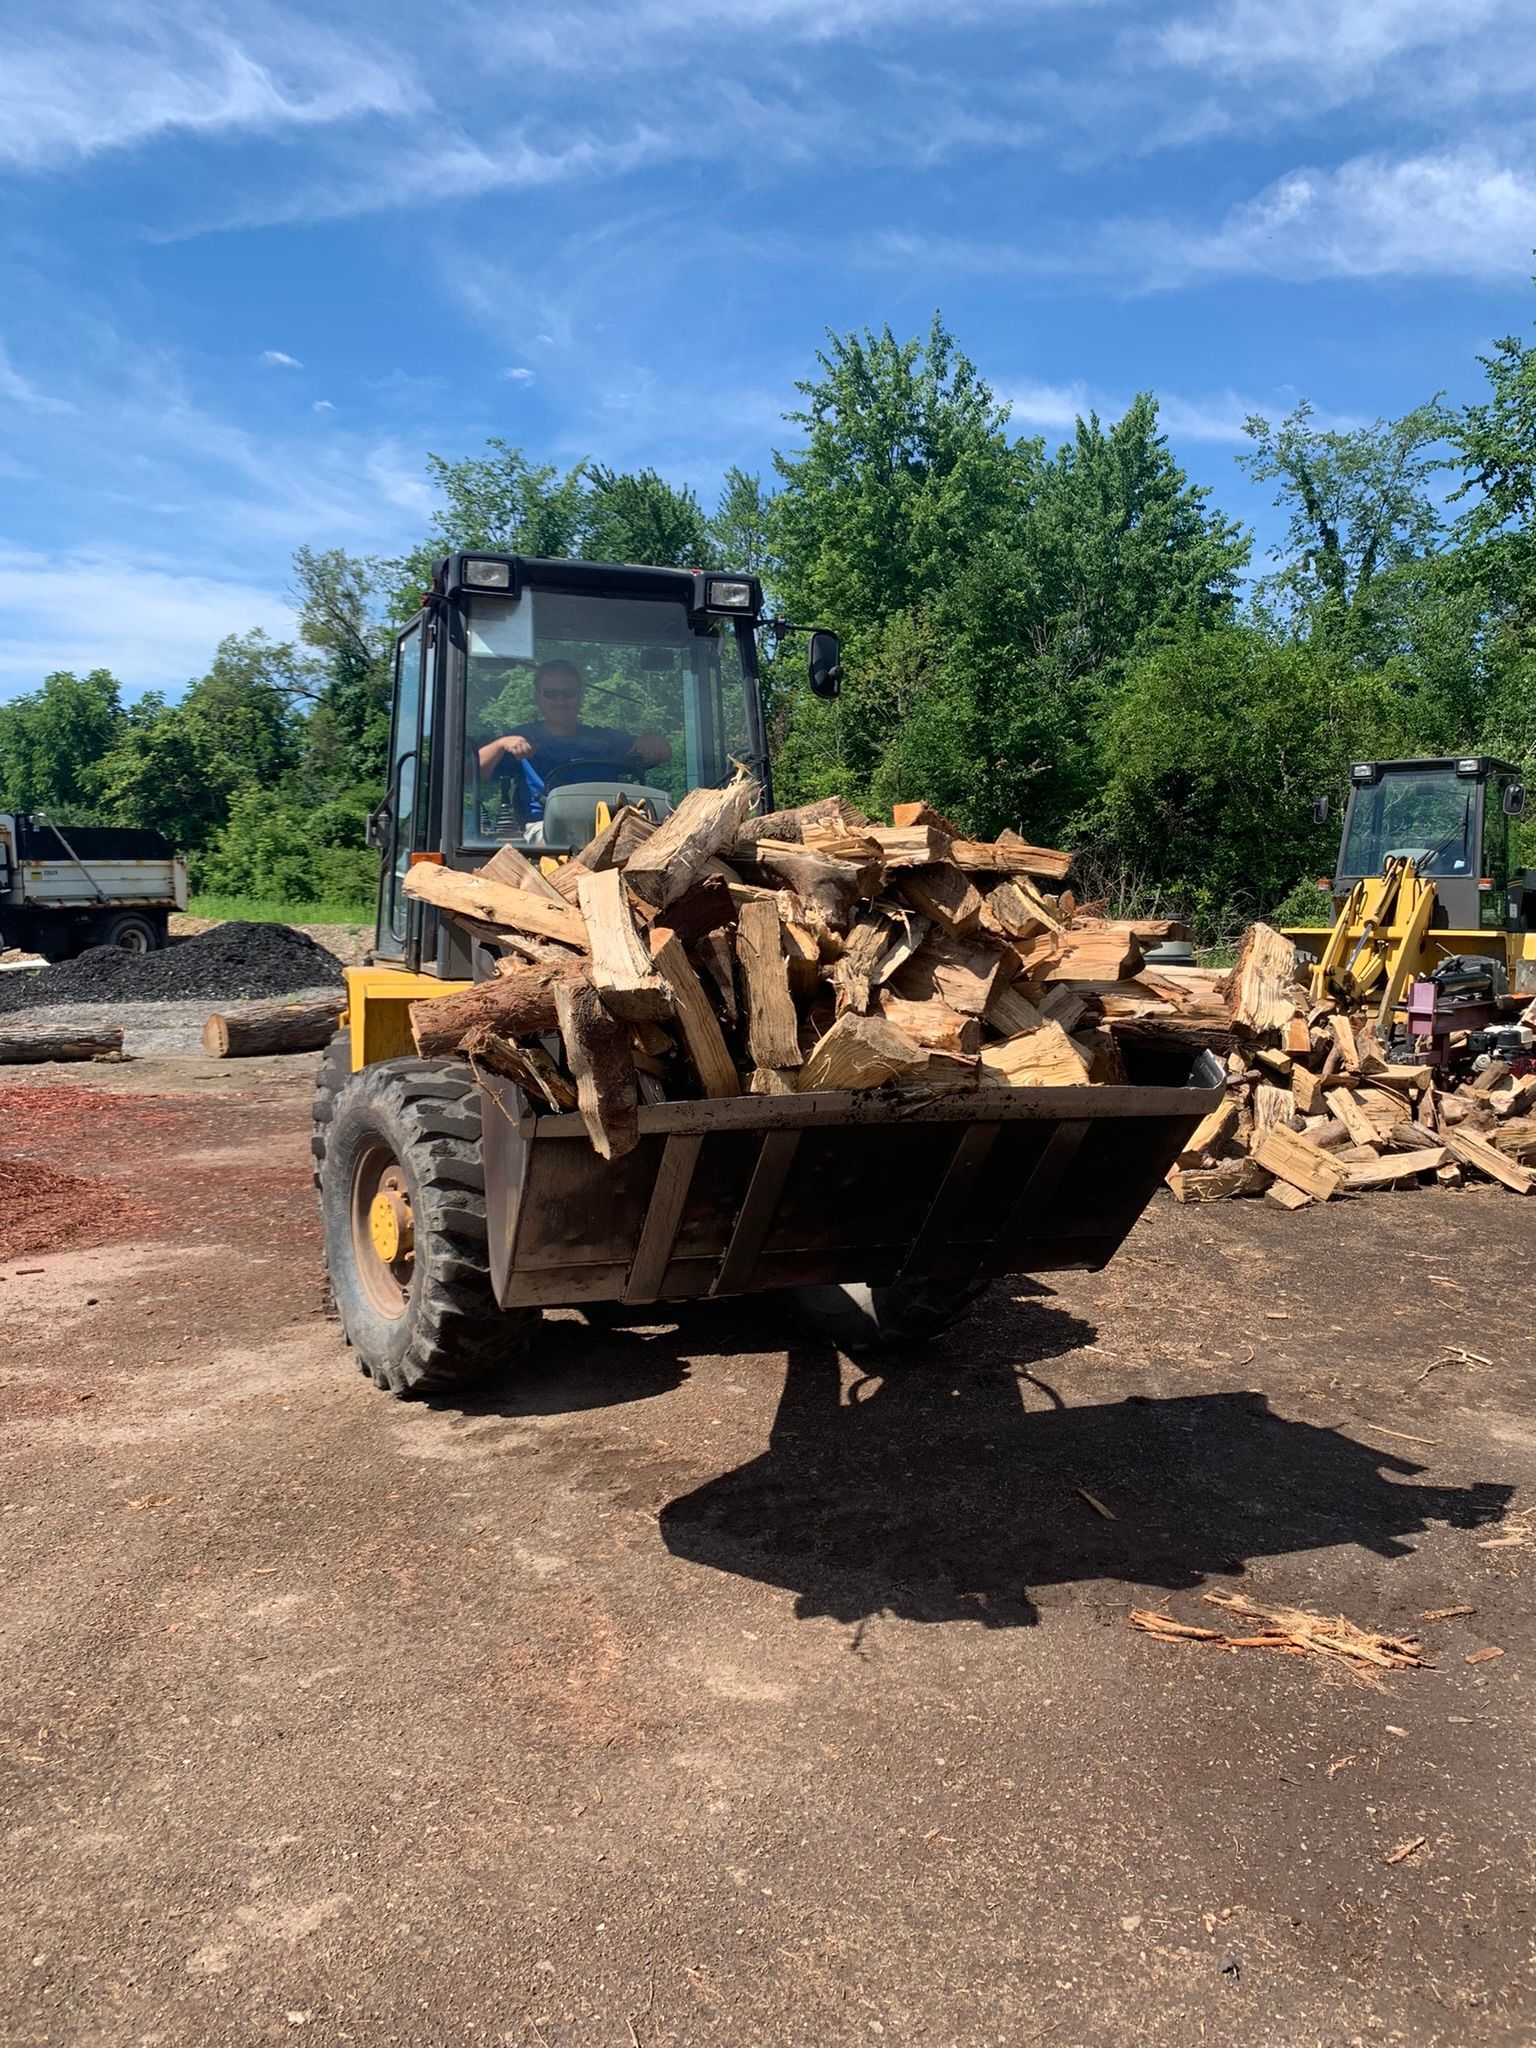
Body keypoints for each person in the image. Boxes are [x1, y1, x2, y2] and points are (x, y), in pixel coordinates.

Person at [477, 660, 670, 814]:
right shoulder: (521, 739)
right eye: (551, 693)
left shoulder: (606, 741)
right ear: (538, 698)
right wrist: (500, 745)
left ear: (580, 697)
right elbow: (471, 773)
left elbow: (663, 753)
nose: (560, 701)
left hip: (607, 824)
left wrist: (652, 738)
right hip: (542, 832)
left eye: (568, 693)